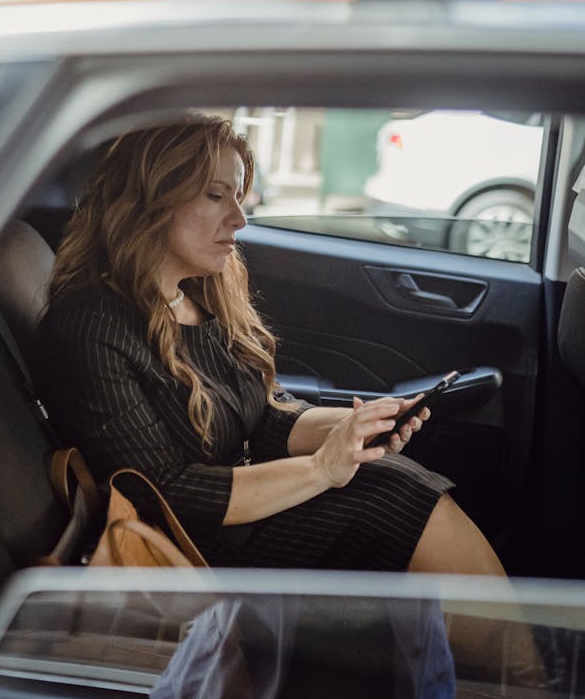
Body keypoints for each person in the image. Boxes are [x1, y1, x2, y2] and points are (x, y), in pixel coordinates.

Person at [36, 114, 506, 579]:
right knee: (392, 500)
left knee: (393, 480)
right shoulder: (91, 326)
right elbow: (164, 495)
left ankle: (509, 655)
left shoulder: (198, 296)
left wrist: (354, 426)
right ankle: (516, 657)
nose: (239, 219)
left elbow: (262, 416)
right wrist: (321, 468)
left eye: (238, 198)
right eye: (216, 196)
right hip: (191, 549)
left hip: (245, 506)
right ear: (151, 200)